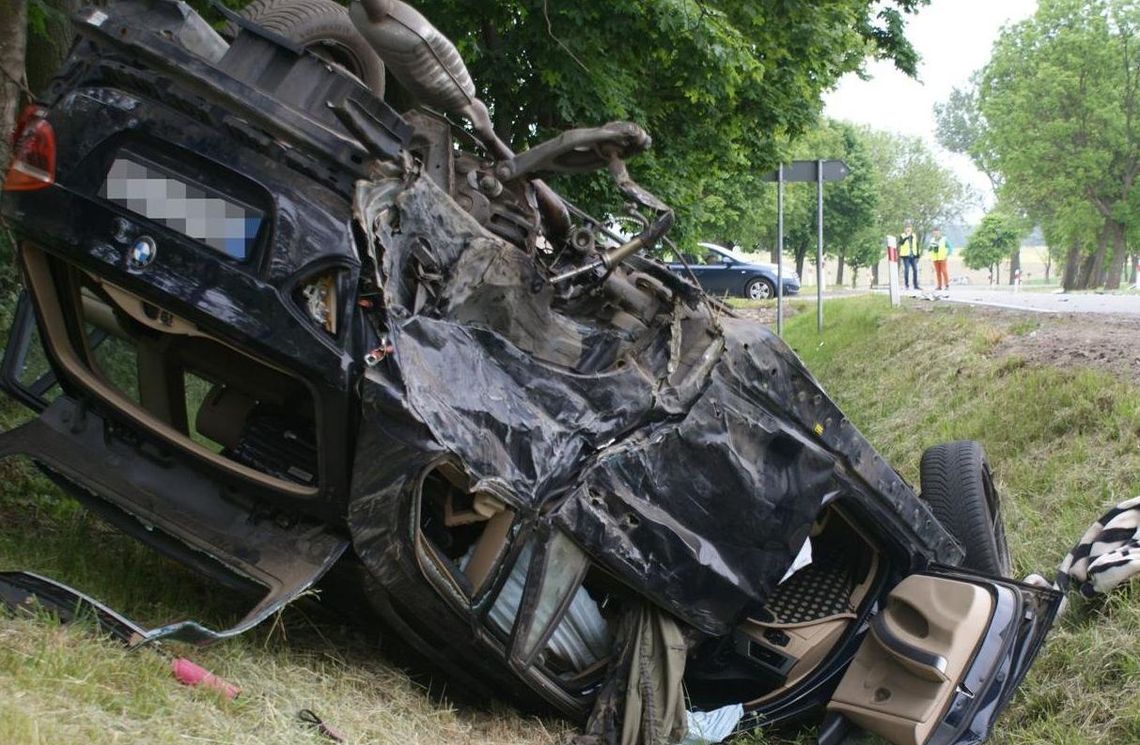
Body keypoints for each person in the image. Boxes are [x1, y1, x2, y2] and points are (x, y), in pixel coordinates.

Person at [897, 223, 920, 290]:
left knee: (915, 270)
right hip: (906, 256)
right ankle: (906, 285)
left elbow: (917, 244)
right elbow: (901, 243)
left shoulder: (914, 235)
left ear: (911, 229)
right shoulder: (902, 235)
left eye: (909, 227)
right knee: (906, 270)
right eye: (907, 228)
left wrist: (918, 254)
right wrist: (906, 237)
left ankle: (915, 285)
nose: (908, 229)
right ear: (904, 229)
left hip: (913, 255)